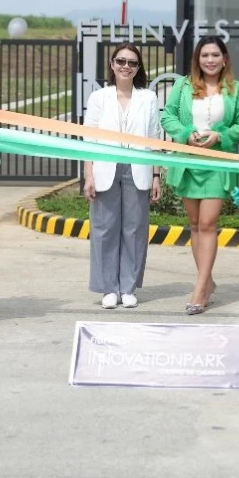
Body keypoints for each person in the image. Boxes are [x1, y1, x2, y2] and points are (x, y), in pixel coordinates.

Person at [161, 36, 239, 315]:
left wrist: (220, 136)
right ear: (197, 59)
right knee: (195, 223)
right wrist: (186, 134)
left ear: (224, 59)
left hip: (218, 163)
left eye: (215, 55)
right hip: (188, 162)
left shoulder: (236, 90)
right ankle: (208, 280)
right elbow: (167, 116)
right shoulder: (183, 86)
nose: (210, 60)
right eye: (204, 55)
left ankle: (199, 288)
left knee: (209, 223)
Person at [82, 42, 162, 309]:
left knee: (135, 228)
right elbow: (89, 139)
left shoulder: (148, 98)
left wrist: (156, 175)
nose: (126, 66)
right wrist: (89, 175)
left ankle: (128, 287)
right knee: (104, 228)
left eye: (132, 63)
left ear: (138, 68)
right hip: (106, 168)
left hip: (138, 167)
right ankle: (108, 288)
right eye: (121, 61)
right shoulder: (98, 97)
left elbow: (154, 138)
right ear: (112, 65)